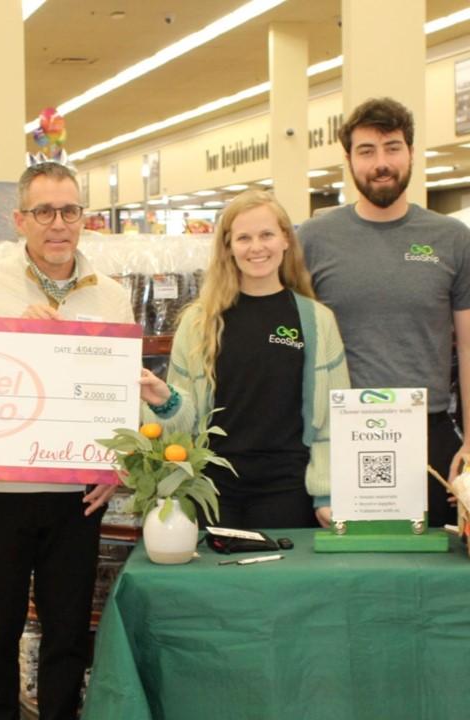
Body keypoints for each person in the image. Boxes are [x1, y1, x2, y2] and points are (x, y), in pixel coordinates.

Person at [0, 160, 135, 720]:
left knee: (66, 633)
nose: (59, 224)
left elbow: (119, 398)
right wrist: (19, 341)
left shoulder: (111, 296)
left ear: (84, 218)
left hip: (74, 497)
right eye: (44, 212)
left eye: (70, 211)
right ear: (19, 220)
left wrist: (115, 465)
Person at [298, 97, 470, 527]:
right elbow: (290, 341)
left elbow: (467, 347)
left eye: (392, 147)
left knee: (432, 569)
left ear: (411, 152)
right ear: (349, 160)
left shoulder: (451, 239)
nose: (381, 162)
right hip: (337, 432)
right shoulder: (314, 239)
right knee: (348, 570)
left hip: (427, 432)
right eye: (367, 151)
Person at [140, 189, 350, 529]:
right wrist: (165, 404)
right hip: (212, 488)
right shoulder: (198, 322)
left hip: (289, 489)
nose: (256, 247)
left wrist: (327, 493)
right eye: (244, 238)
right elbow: (183, 423)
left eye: (267, 234)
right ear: (228, 247)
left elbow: (333, 416)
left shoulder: (316, 320)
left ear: (286, 239)